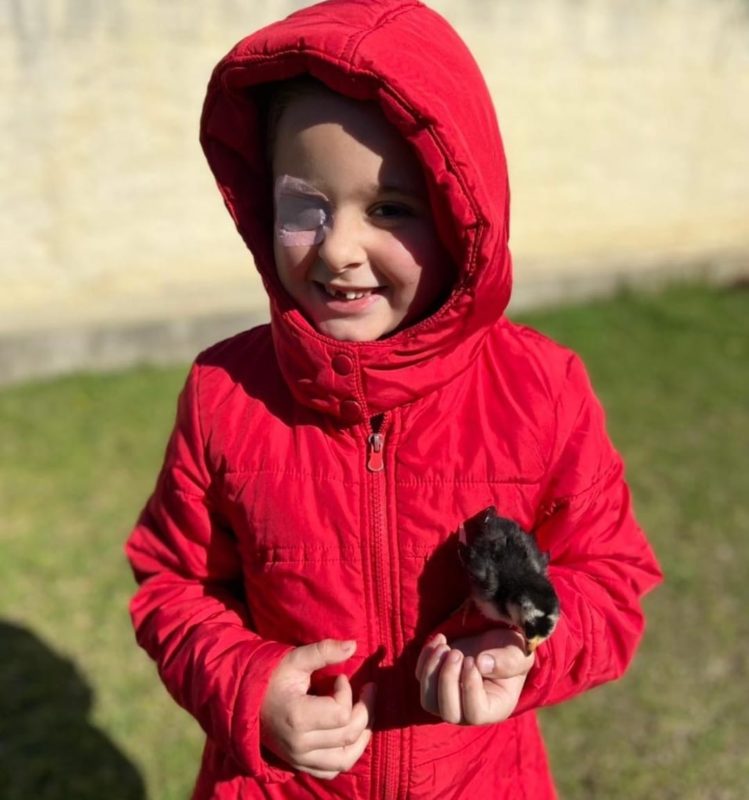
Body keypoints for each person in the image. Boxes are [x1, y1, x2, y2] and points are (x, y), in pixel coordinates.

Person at [125, 1, 663, 798]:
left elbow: (612, 575)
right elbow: (173, 583)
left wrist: (526, 647)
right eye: (305, 207)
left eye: (389, 209)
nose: (339, 249)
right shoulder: (222, 392)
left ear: (459, 217)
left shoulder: (542, 389)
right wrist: (247, 683)